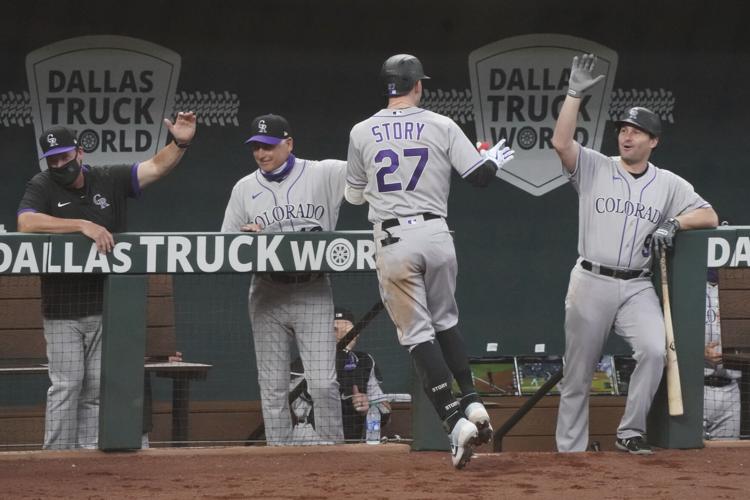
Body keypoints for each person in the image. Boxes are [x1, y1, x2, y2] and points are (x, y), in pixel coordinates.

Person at [345, 54, 514, 469]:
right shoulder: (440, 124)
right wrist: (490, 160)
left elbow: (352, 196)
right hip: (437, 234)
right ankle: (472, 403)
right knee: (446, 323)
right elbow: (479, 176)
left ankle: (454, 422)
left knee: (419, 335)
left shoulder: (362, 131)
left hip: (395, 238)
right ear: (417, 86)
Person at [551, 53, 719, 455]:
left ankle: (630, 433)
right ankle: (570, 453)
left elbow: (709, 215)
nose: (627, 136)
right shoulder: (595, 166)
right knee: (577, 373)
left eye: (637, 131)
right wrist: (574, 93)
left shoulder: (669, 184)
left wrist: (676, 223)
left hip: (636, 285)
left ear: (653, 141)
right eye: (624, 129)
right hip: (591, 279)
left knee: (655, 349)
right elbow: (561, 142)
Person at [16, 112, 197, 449]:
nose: (59, 164)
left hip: (105, 304)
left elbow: (155, 167)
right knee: (67, 385)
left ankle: (86, 459)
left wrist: (180, 143)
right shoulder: (42, 184)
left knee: (97, 387)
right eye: (52, 159)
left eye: (64, 156)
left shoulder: (108, 178)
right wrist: (83, 224)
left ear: (79, 153)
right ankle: (54, 460)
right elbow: (26, 222)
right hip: (61, 308)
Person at [221, 113, 345, 446]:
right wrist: (247, 242)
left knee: (322, 384)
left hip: (313, 288)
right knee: (273, 387)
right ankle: (278, 458)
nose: (262, 153)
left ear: (289, 143)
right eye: (256, 147)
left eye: (269, 146)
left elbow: (369, 171)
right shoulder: (244, 188)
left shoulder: (324, 173)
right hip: (267, 291)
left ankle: (338, 456)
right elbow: (223, 246)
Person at [290, 307, 392, 443]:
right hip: (312, 440)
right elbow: (301, 405)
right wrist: (341, 355)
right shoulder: (303, 362)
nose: (340, 335)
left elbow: (385, 411)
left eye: (347, 330)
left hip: (354, 442)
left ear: (356, 335)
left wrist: (369, 406)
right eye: (334, 329)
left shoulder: (365, 362)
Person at [704, 268, 741, 440]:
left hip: (731, 390)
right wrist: (698, 352)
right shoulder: (687, 288)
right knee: (688, 459)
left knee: (728, 458)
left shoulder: (741, 291)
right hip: (695, 390)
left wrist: (733, 352)